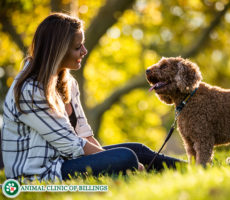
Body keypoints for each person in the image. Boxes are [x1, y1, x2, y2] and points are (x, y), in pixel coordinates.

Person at [1, 13, 185, 182]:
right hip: (38, 175)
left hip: (65, 160)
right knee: (126, 157)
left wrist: (108, 159)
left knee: (135, 150)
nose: (84, 51)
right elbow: (70, 143)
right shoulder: (30, 89)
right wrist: (116, 161)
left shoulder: (68, 82)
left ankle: (191, 168)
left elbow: (84, 134)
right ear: (58, 50)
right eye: (77, 47)